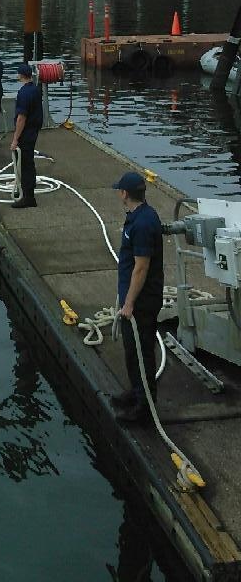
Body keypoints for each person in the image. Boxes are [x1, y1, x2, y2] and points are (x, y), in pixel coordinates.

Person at [111, 171, 164, 425]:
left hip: (142, 301)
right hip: (133, 297)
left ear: (125, 193)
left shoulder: (142, 225)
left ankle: (145, 407)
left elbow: (141, 267)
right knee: (132, 350)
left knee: (142, 352)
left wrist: (129, 303)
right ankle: (135, 391)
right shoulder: (139, 217)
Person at [9, 63, 43, 208]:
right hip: (34, 130)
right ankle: (25, 191)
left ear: (21, 75)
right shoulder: (35, 90)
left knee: (24, 163)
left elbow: (21, 118)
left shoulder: (23, 93)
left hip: (26, 132)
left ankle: (28, 197)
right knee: (28, 162)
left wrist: (15, 139)